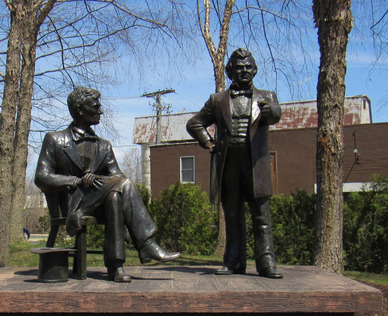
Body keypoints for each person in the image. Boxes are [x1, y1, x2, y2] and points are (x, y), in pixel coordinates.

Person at [35, 87, 180, 282]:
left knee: (115, 196)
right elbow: (41, 177)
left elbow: (117, 178)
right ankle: (146, 244)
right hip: (71, 205)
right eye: (96, 106)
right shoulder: (55, 140)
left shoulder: (104, 145)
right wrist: (76, 181)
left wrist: (99, 180)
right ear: (80, 109)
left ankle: (116, 268)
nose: (101, 111)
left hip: (98, 205)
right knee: (124, 185)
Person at [186, 48, 283, 278]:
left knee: (262, 216)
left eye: (249, 67)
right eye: (239, 68)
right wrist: (210, 144)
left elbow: (276, 114)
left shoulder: (267, 97)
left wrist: (269, 112)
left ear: (255, 70)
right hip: (228, 166)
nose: (245, 71)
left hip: (255, 165)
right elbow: (194, 123)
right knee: (232, 216)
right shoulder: (217, 100)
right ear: (230, 71)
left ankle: (266, 263)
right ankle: (233, 261)